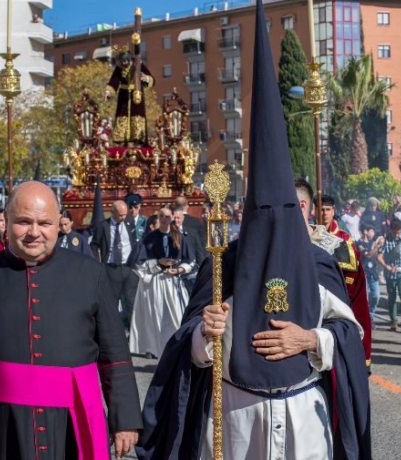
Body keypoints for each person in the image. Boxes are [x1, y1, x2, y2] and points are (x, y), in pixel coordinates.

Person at [136, 3, 371, 457]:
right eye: (263, 213)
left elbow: (352, 337)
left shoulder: (320, 265)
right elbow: (184, 348)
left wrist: (312, 339)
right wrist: (207, 333)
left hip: (304, 417)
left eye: (287, 212)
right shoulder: (222, 264)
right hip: (234, 420)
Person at [0, 181, 142, 459]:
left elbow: (115, 355)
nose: (34, 232)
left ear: (58, 223)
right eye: (24, 222)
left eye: (44, 223)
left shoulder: (91, 273)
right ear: (6, 220)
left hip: (72, 422)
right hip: (0, 424)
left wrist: (123, 419)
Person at [303, 185, 373, 370]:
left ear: (333, 211)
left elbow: (353, 278)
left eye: (328, 209)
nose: (324, 213)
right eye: (321, 209)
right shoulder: (302, 236)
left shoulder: (343, 241)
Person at [129, 206, 193, 358]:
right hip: (156, 282)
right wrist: (159, 263)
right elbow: (138, 263)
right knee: (156, 316)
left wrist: (178, 270)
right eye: (161, 216)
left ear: (172, 218)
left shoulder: (180, 236)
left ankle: (178, 346)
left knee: (177, 316)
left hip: (173, 281)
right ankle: (156, 349)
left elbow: (190, 260)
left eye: (167, 216)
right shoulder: (149, 239)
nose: (164, 219)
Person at [90, 200, 140, 332]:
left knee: (131, 303)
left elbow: (134, 242)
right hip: (111, 269)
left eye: (125, 214)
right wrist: (98, 264)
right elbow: (94, 245)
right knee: (111, 304)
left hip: (128, 269)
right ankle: (112, 333)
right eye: (120, 215)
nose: (123, 218)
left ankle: (133, 336)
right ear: (112, 213)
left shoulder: (129, 223)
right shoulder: (103, 226)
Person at [105, 49, 155, 146]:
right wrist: (109, 92)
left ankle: (138, 139)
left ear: (129, 59)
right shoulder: (119, 68)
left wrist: (146, 78)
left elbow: (152, 79)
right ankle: (123, 139)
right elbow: (114, 81)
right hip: (123, 95)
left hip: (136, 94)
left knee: (136, 115)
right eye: (122, 61)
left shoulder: (138, 65)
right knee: (122, 114)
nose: (124, 63)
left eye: (126, 61)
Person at [378, 217, 401, 332]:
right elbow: (379, 257)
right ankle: (394, 320)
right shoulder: (386, 240)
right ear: (390, 230)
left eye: (398, 232)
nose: (396, 234)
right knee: (392, 297)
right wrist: (387, 266)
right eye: (394, 232)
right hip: (390, 274)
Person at [355, 223, 383, 318]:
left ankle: (371, 314)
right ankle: (365, 317)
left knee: (376, 296)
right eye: (371, 231)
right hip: (364, 273)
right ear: (365, 231)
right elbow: (368, 255)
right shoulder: (359, 243)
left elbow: (378, 255)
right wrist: (377, 246)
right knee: (365, 298)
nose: (373, 233)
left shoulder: (372, 243)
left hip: (373, 273)